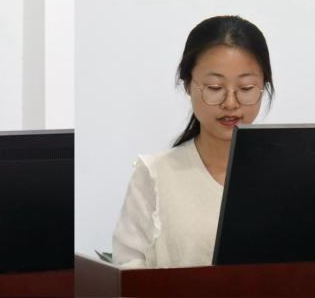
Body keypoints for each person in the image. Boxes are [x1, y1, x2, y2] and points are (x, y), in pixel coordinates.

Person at [111, 15, 274, 267]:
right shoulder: (156, 174)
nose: (230, 103)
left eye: (246, 88)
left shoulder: (288, 175)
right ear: (188, 85)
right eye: (214, 87)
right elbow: (128, 269)